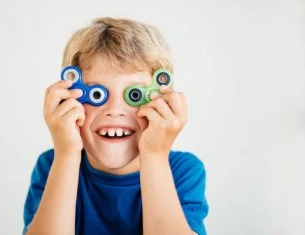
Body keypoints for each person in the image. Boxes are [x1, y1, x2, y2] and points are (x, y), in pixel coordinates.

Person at [22, 17, 208, 235]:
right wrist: (66, 154)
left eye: (134, 95)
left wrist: (155, 155)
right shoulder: (53, 165)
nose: (114, 110)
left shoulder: (184, 171)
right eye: (97, 94)